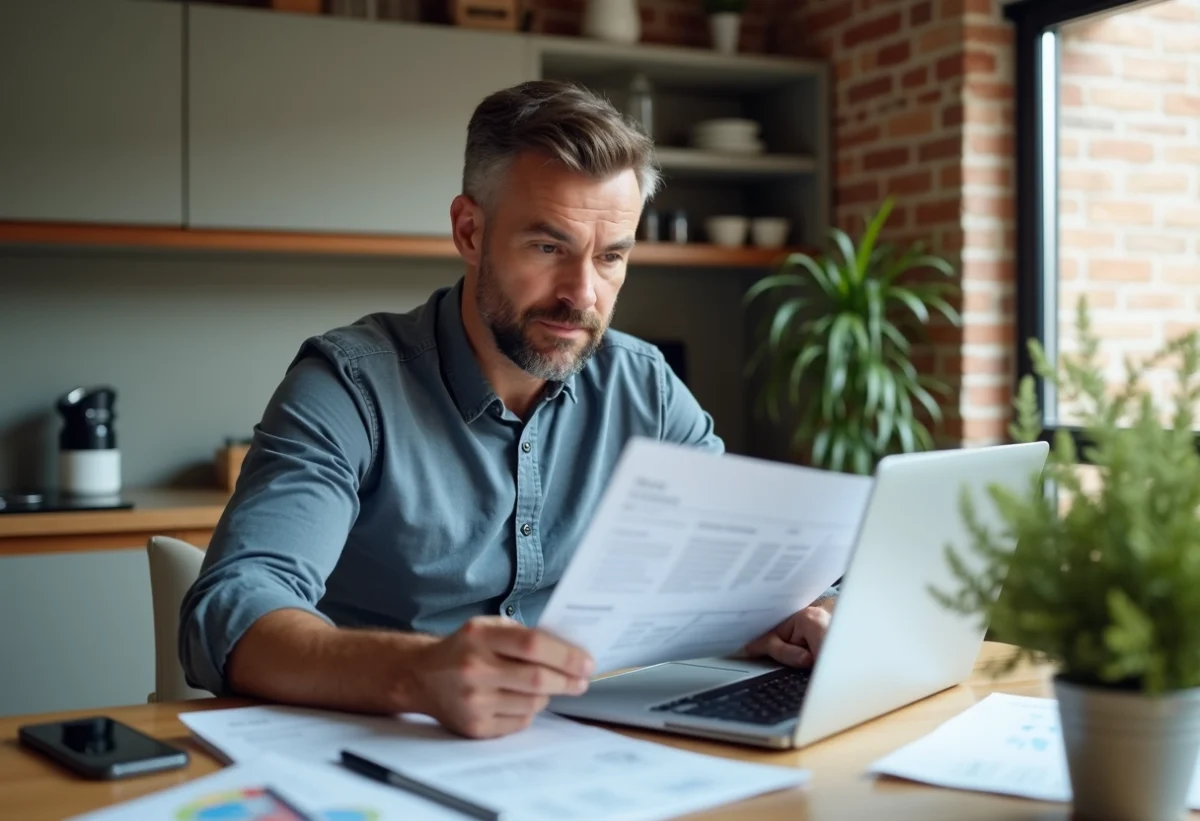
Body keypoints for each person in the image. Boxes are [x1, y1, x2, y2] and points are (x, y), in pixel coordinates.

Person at [179, 79, 833, 740]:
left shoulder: (645, 387)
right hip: (389, 751)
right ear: (470, 230)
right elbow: (228, 615)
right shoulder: (349, 386)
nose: (582, 294)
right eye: (548, 248)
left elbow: (745, 557)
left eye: (610, 257)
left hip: (596, 753)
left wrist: (799, 611)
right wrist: (417, 673)